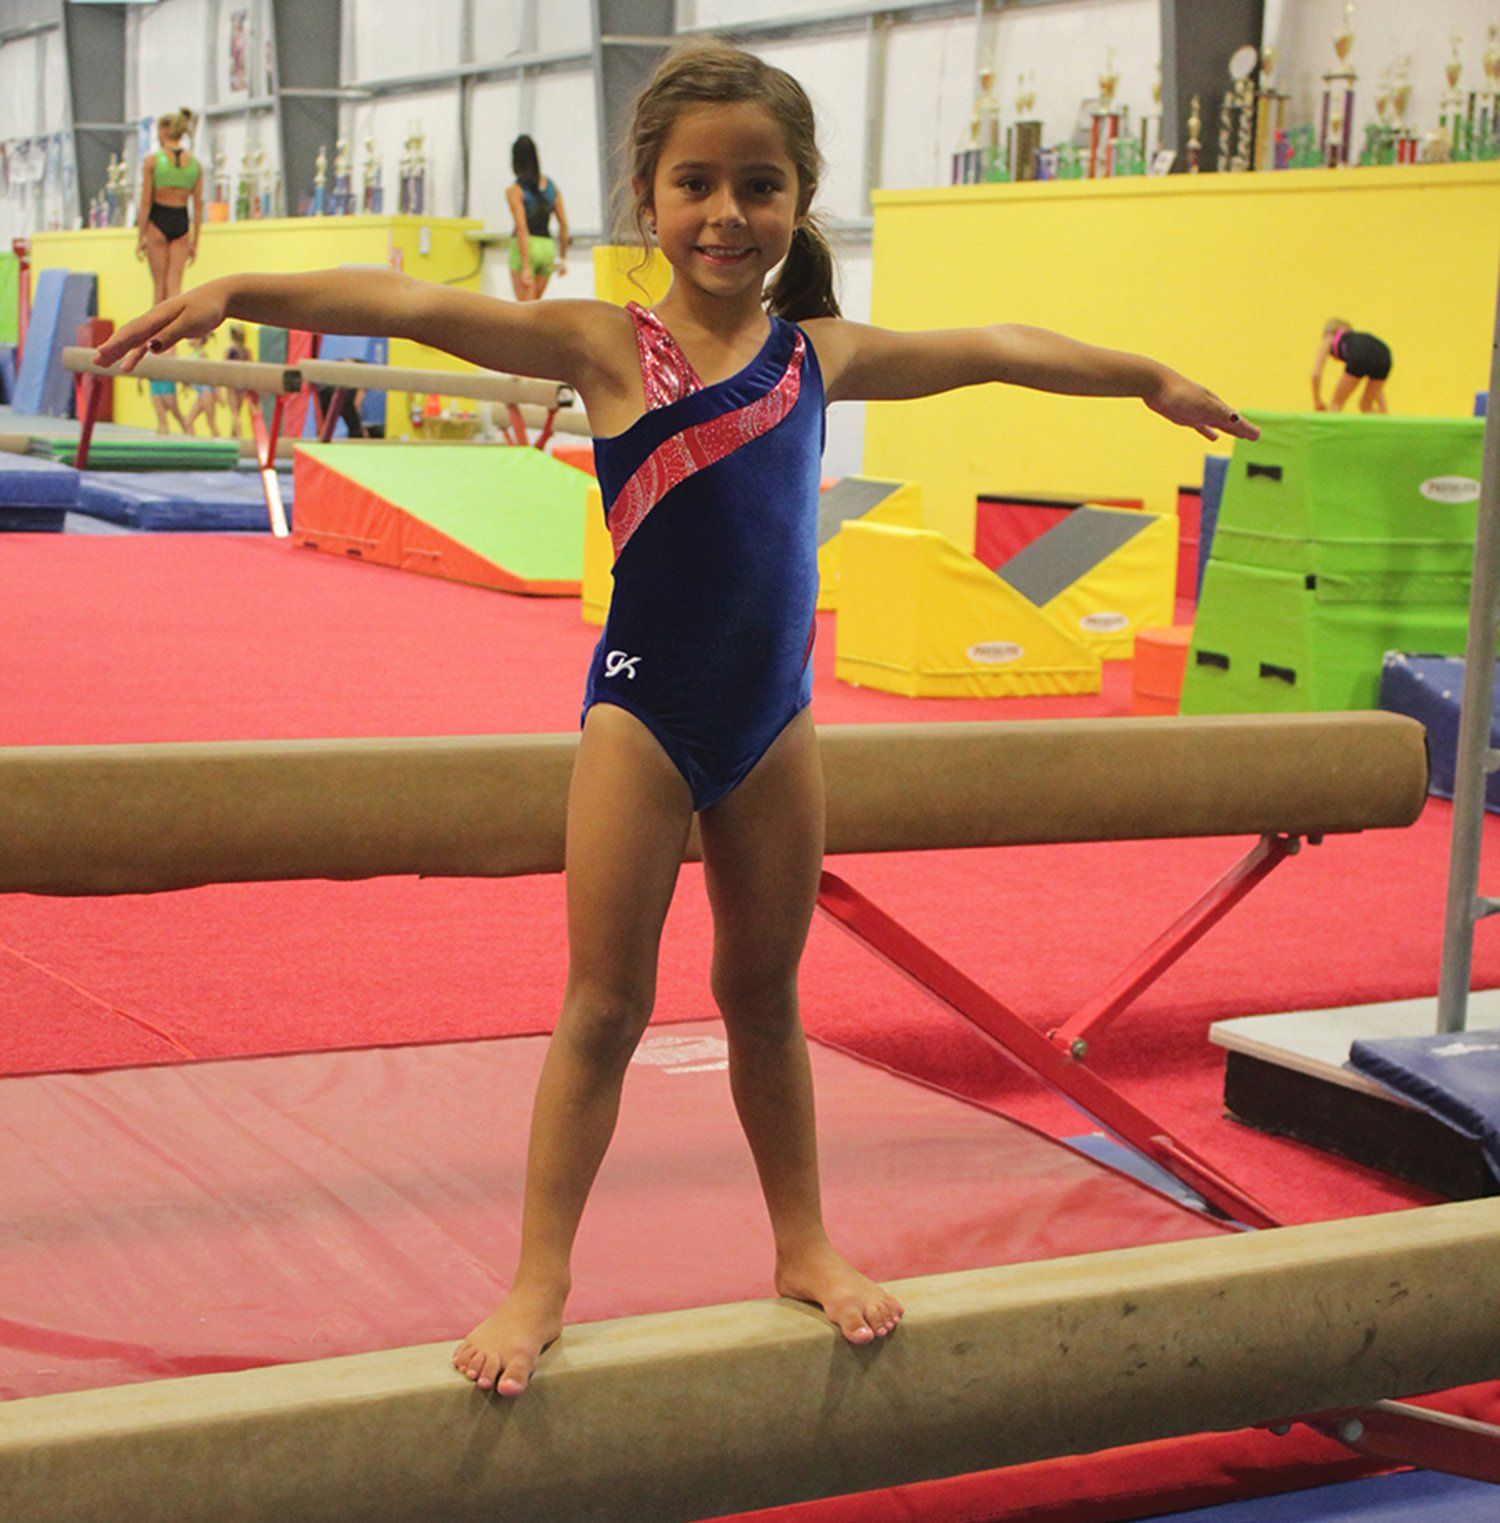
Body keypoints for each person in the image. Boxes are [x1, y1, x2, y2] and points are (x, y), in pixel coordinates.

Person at [94, 37, 1256, 1402]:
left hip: (776, 722)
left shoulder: (821, 353)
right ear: (644, 195)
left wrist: (1139, 377)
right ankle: (540, 1273)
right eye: (695, 182)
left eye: (758, 185)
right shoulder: (602, 339)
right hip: (641, 716)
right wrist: (234, 283)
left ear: (799, 200)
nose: (726, 212)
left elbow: (996, 349)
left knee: (765, 998)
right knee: (604, 1005)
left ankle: (804, 1240)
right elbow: (405, 299)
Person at [137, 108, 204, 306]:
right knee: (175, 288)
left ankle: (156, 336)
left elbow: (145, 202)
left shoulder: (153, 161)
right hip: (181, 220)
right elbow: (198, 206)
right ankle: (175, 335)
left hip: (158, 219)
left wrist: (141, 235)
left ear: (164, 131)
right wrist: (195, 241)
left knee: (159, 288)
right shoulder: (194, 164)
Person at [506, 135, 569, 302]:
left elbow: (521, 226)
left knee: (525, 313)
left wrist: (525, 265)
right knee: (536, 308)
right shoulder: (551, 187)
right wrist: (563, 257)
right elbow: (563, 224)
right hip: (547, 249)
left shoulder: (515, 190)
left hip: (526, 247)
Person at [1312, 319, 1391, 413]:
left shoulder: (1329, 338)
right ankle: (1382, 424)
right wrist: (1384, 411)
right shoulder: (1355, 341)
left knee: (1336, 404)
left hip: (1360, 355)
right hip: (1384, 355)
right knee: (1365, 406)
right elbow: (1376, 386)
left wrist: (1317, 400)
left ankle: (1334, 426)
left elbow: (1316, 374)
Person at [182, 334, 220, 437]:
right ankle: (192, 446)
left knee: (211, 423)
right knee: (188, 422)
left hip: (206, 391)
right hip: (201, 392)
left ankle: (220, 448)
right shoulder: (192, 354)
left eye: (192, 336)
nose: (188, 339)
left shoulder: (202, 355)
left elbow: (211, 375)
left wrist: (217, 393)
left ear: (198, 339)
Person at [223, 324, 254, 437]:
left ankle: (239, 437)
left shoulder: (230, 351)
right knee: (237, 412)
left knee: (235, 413)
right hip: (243, 383)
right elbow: (252, 369)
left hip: (232, 384)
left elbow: (221, 370)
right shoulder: (247, 352)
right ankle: (233, 437)